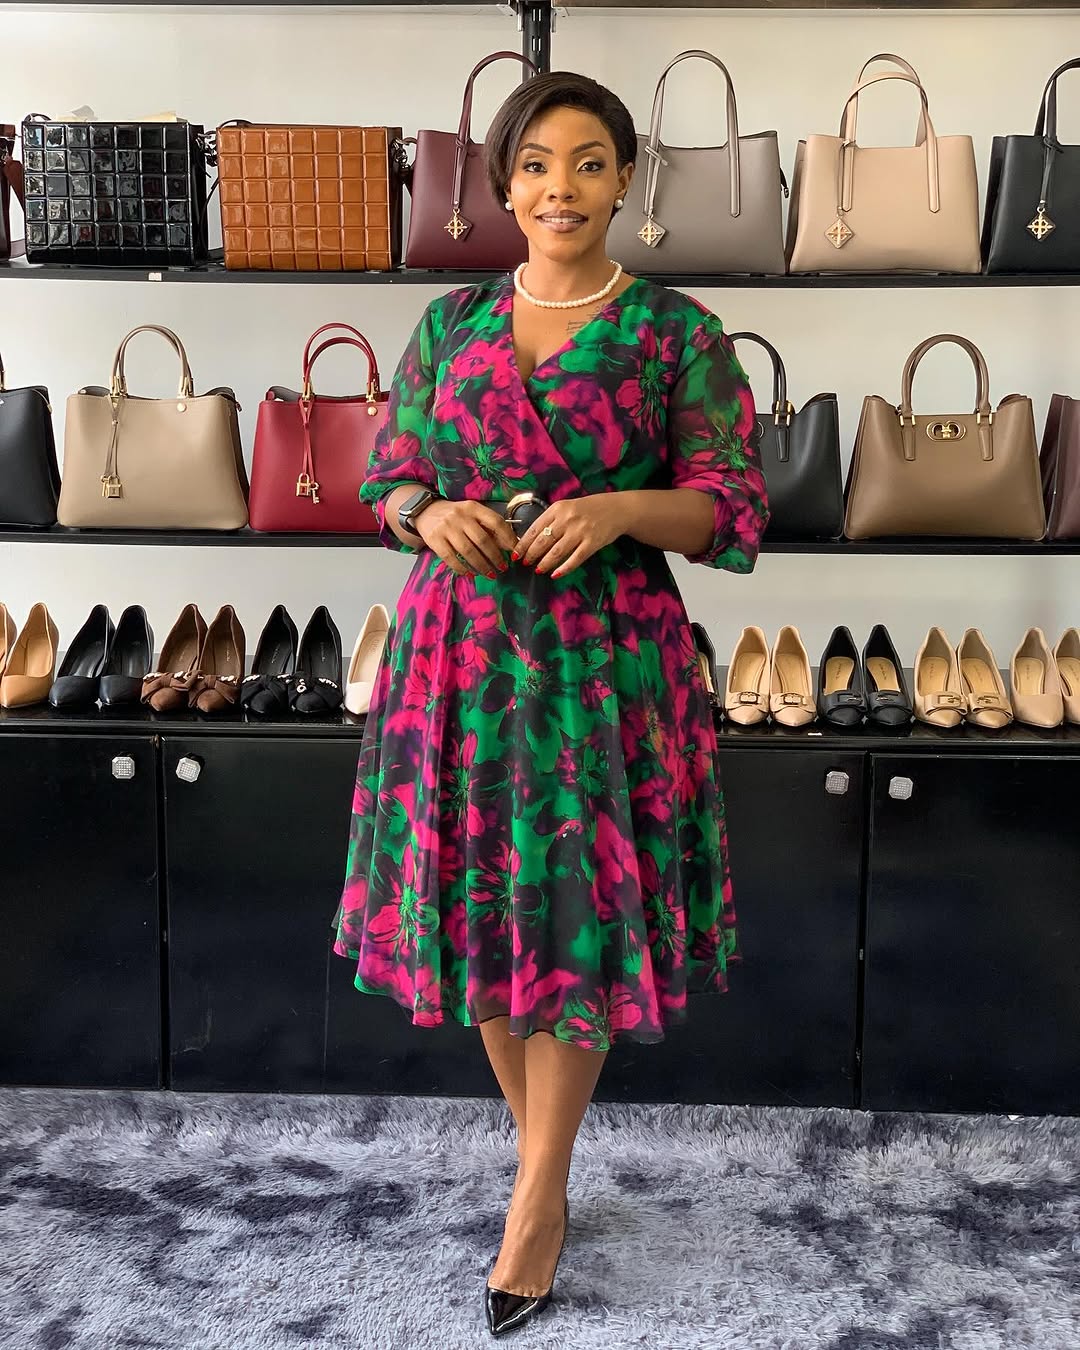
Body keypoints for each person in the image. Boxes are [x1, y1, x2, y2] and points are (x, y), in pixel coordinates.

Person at [331, 69, 769, 1338]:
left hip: (603, 666)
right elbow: (391, 474)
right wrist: (427, 514)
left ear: (625, 179)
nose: (558, 187)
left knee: (573, 915)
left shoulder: (677, 332)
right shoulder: (452, 321)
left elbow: (732, 505)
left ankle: (534, 1204)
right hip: (455, 662)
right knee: (479, 907)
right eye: (533, 164)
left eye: (586, 162)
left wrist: (620, 508)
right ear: (501, 184)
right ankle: (547, 1164)